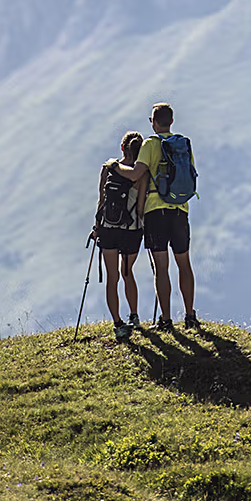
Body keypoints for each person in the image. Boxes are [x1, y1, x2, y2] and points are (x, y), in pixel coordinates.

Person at [132, 101, 197, 330]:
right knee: (184, 264)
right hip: (180, 210)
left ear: (154, 123)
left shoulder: (150, 144)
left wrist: (115, 167)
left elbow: (137, 174)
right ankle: (190, 316)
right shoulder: (183, 144)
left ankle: (166, 320)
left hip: (155, 210)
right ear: (171, 121)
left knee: (161, 267)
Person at [94, 130, 145, 342]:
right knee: (127, 272)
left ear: (122, 148)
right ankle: (134, 316)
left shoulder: (108, 168)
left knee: (112, 277)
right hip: (131, 230)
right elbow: (140, 207)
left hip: (108, 228)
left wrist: (96, 226)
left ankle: (117, 323)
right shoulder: (141, 173)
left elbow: (101, 200)